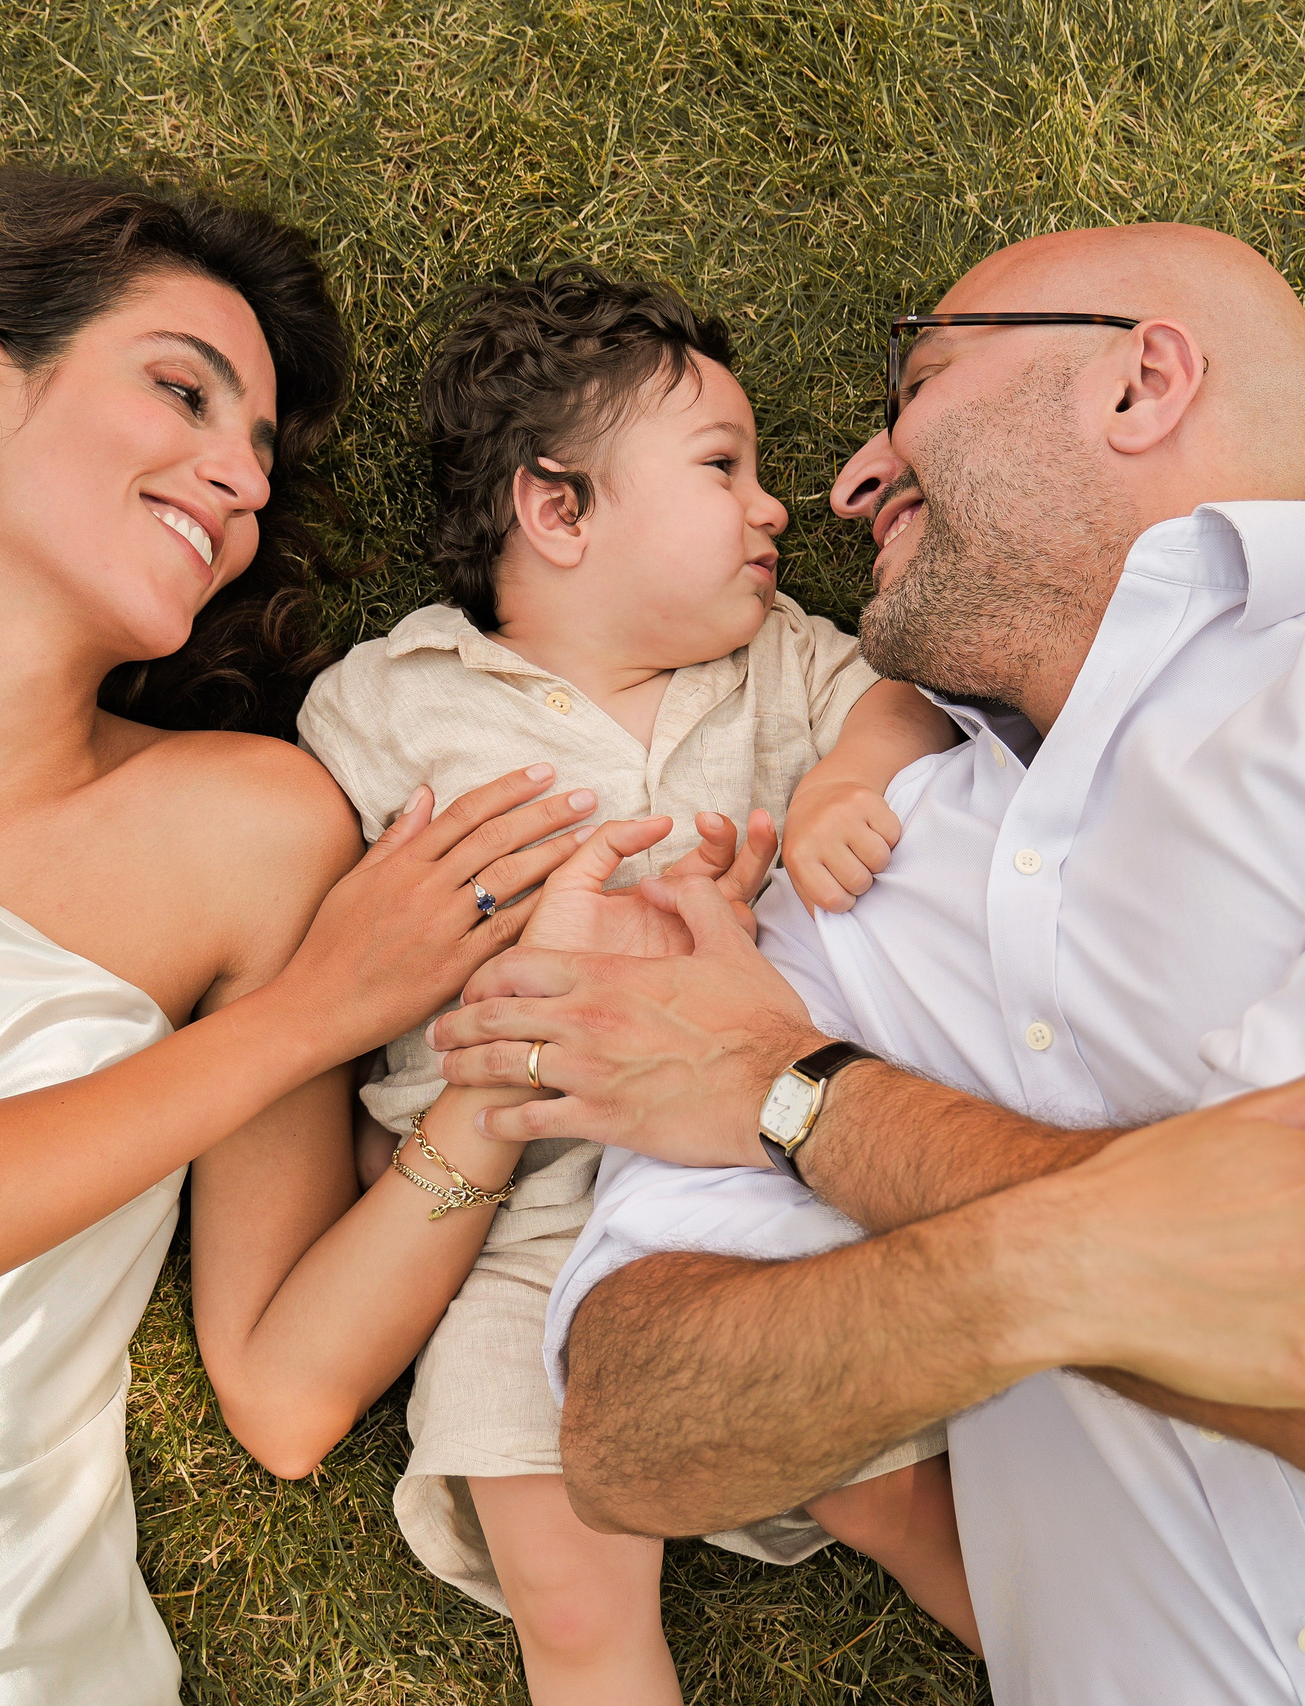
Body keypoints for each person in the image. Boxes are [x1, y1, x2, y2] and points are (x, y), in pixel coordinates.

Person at [429, 223, 1305, 1703]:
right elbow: (633, 1428)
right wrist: (1077, 1256)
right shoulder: (842, 876)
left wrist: (801, 1102)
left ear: (1138, 383)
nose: (851, 479)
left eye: (917, 381)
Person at [0, 167, 676, 1705]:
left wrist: (502, 1078)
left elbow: (286, 1393)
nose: (238, 481)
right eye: (181, 393)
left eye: (258, 454)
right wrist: (307, 1016)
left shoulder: (253, 830)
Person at [296, 266, 974, 1703]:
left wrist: (853, 779)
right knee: (571, 1599)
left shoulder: (786, 664)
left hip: (770, 1181)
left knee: (904, 1504)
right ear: (557, 510)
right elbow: (335, 940)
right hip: (517, 1228)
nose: (773, 507)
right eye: (724, 467)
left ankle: (1139, 1658)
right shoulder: (386, 700)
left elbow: (905, 696)